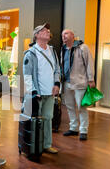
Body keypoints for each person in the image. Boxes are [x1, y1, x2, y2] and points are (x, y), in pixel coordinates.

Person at [22, 23, 61, 154]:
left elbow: (57, 69)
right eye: (43, 30)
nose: (47, 32)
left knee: (48, 118)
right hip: (37, 94)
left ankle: (46, 144)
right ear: (36, 35)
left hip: (50, 92)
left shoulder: (52, 50)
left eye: (48, 30)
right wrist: (33, 91)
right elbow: (27, 75)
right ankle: (34, 146)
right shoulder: (30, 53)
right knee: (35, 121)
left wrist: (57, 84)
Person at [60, 29, 95, 141]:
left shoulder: (82, 47)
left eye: (66, 34)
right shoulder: (63, 49)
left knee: (81, 106)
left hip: (80, 82)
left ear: (73, 36)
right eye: (62, 35)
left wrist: (91, 79)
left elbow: (89, 63)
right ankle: (73, 128)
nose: (64, 36)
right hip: (66, 82)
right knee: (69, 106)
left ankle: (83, 130)